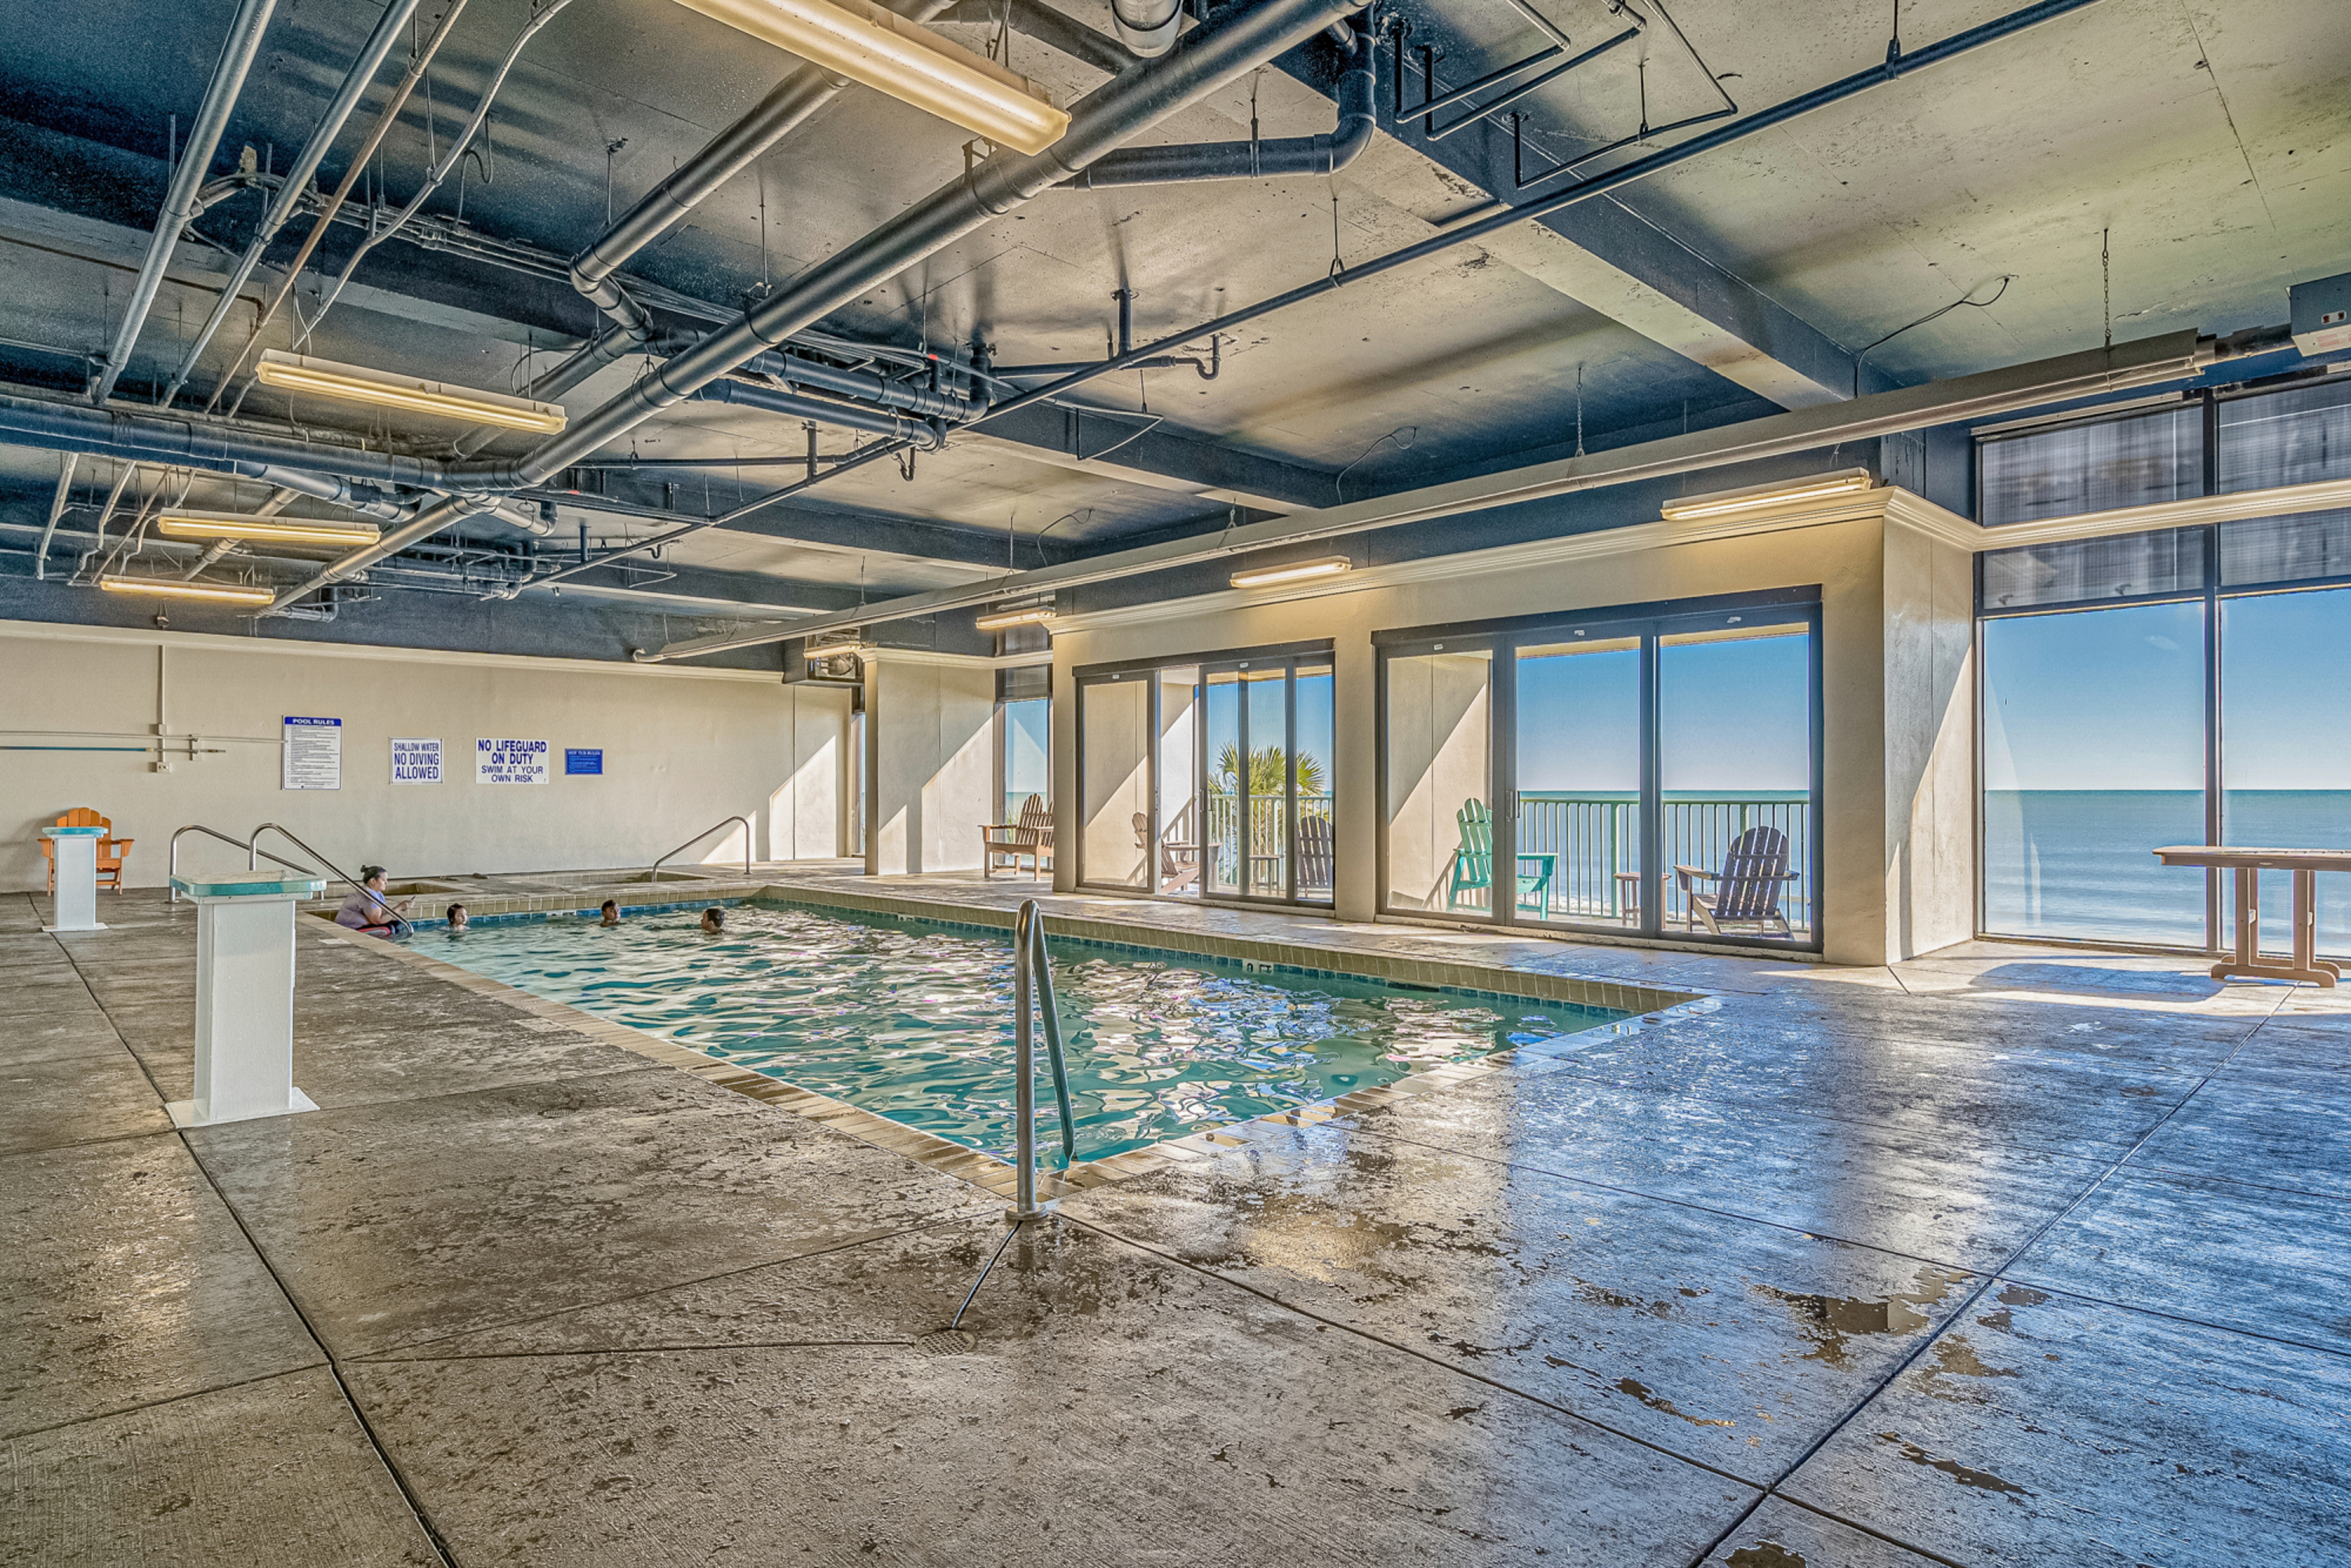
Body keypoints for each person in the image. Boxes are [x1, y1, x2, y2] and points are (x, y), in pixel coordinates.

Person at [335, 866, 413, 936]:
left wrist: (401, 908)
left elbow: (382, 915)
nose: (387, 882)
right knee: (387, 929)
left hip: (361, 925)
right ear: (373, 881)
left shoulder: (377, 893)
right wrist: (399, 907)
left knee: (398, 925)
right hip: (349, 929)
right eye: (383, 880)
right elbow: (378, 920)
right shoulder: (367, 896)